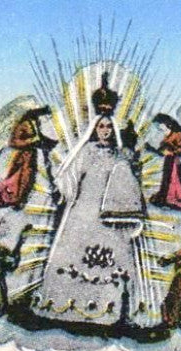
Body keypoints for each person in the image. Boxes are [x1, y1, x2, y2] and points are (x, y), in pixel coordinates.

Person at [31, 74, 146, 331]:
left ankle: (110, 310)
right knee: (73, 253)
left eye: (108, 127)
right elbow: (69, 179)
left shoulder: (120, 155)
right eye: (101, 127)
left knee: (114, 256)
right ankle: (66, 309)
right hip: (83, 211)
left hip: (111, 214)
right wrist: (58, 180)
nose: (104, 131)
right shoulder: (85, 152)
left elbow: (131, 184)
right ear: (94, 128)